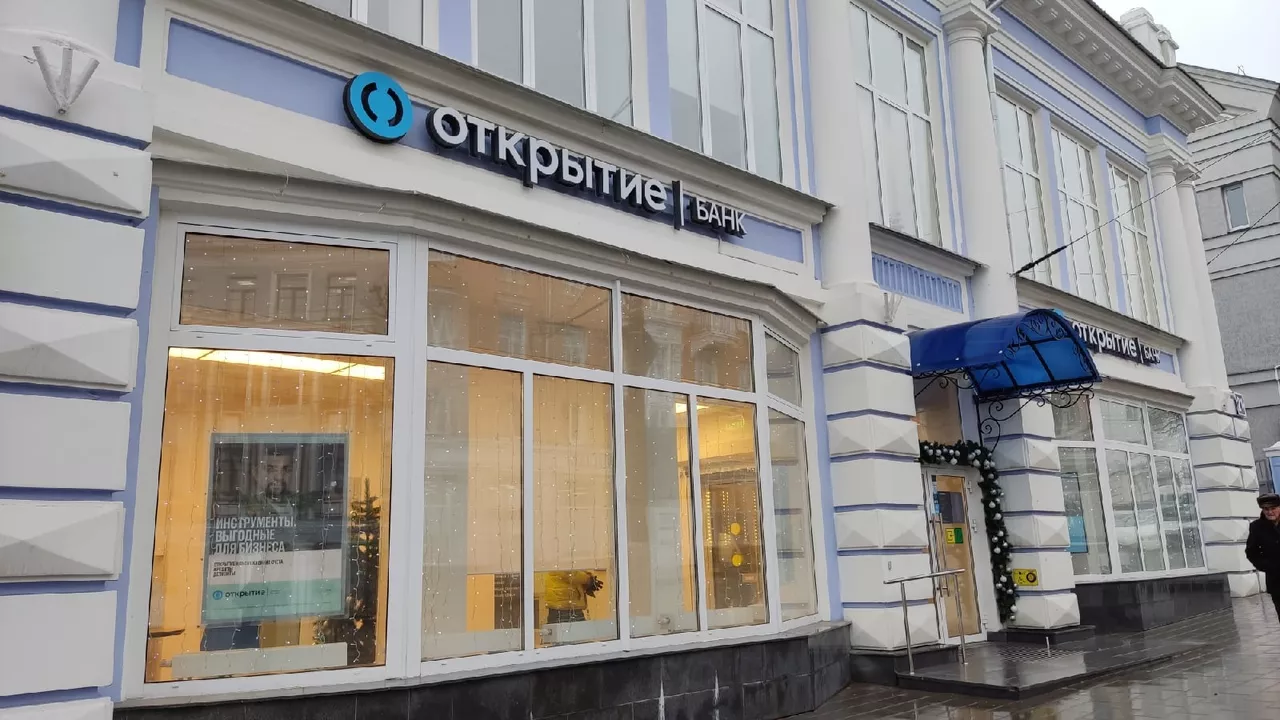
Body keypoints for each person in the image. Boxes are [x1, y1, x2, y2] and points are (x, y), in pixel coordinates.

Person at [1244, 493, 1280, 616]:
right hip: (1276, 581)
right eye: (1266, 509)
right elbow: (1251, 552)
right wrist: (1267, 566)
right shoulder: (1257, 527)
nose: (1270, 512)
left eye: (1273, 508)